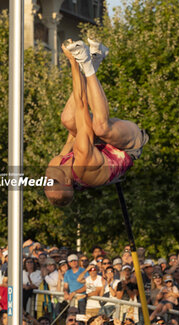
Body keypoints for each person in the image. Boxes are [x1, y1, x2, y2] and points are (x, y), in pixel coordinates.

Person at [45, 38, 148, 206]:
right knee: (100, 127)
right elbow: (82, 105)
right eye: (53, 183)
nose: (47, 180)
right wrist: (74, 61)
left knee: (67, 119)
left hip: (98, 148)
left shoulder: (56, 165)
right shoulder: (84, 163)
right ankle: (87, 61)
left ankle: (96, 59)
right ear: (66, 181)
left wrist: (75, 64)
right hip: (128, 146)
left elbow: (73, 132)